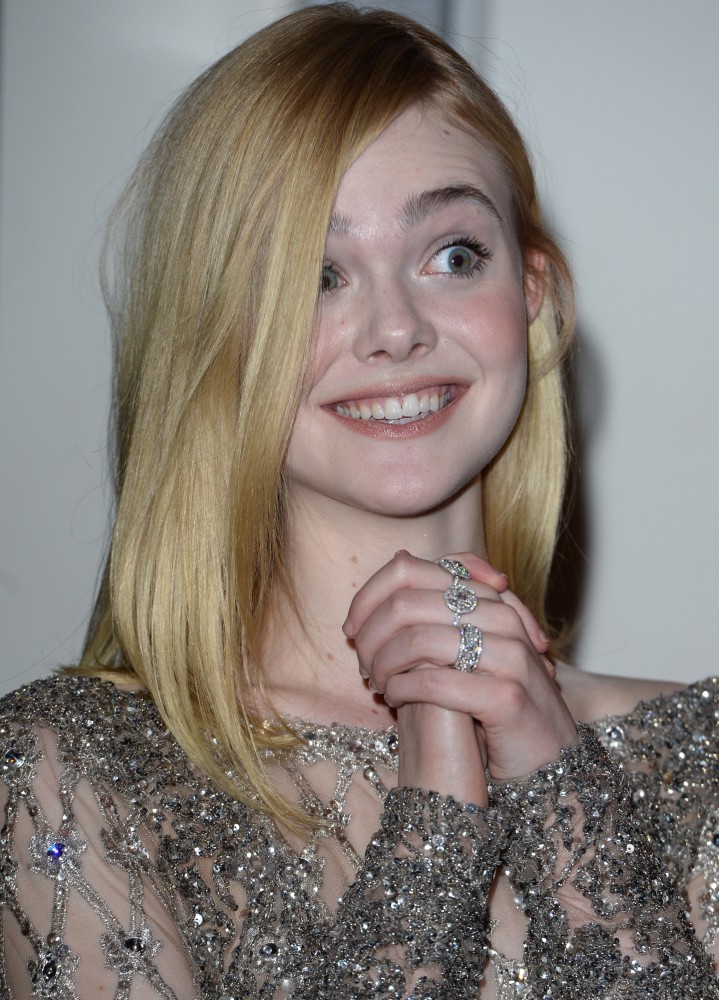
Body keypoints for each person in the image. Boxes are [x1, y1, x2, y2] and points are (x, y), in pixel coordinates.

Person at [1, 4, 718, 998]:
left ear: (531, 292)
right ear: (211, 330)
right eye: (316, 273)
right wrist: (436, 821)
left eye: (451, 254)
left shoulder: (696, 760)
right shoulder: (66, 772)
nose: (395, 329)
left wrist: (559, 780)